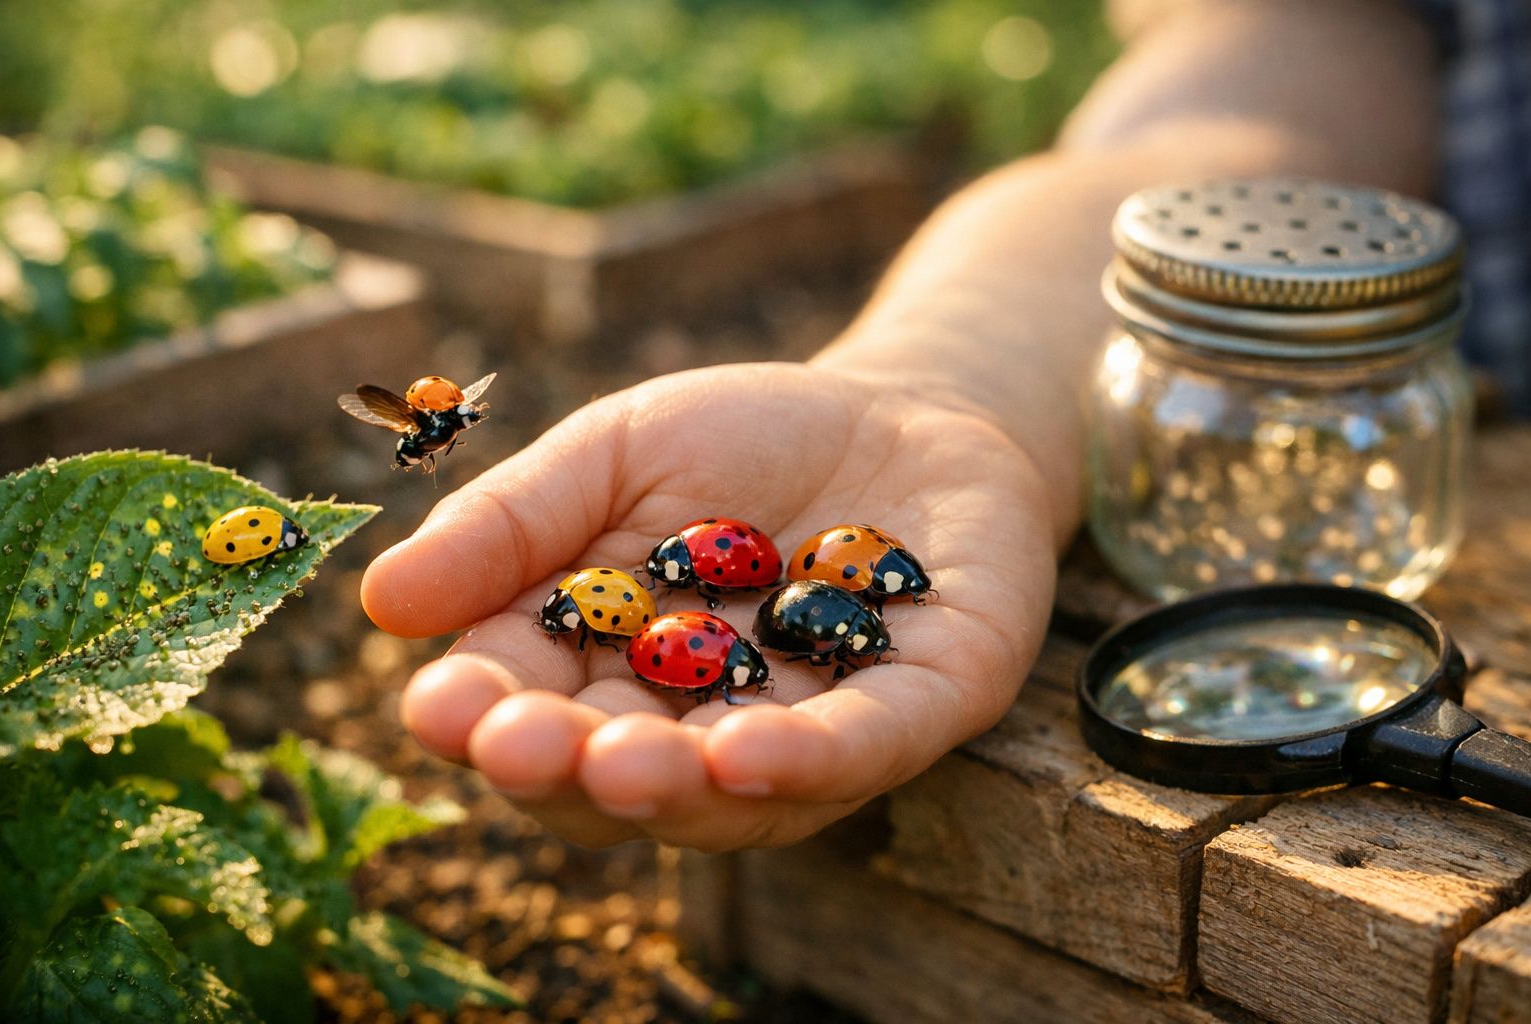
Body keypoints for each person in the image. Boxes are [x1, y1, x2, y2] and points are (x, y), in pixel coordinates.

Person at [361, 0, 1527, 851]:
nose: (686, 590)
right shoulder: (717, 595)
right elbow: (1298, 59)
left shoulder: (723, 600)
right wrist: (951, 375)